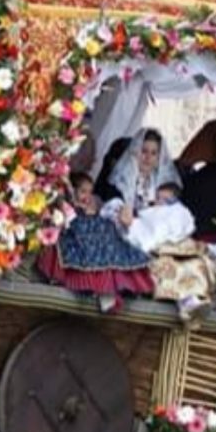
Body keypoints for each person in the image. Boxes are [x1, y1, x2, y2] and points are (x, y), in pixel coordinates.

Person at [47, 172, 155, 312]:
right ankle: (100, 288)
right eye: (83, 192)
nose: (87, 196)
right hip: (76, 231)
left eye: (90, 192)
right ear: (73, 190)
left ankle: (112, 288)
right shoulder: (67, 204)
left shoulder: (93, 204)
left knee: (110, 234)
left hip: (94, 230)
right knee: (90, 240)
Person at [100, 128, 180, 212]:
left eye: (153, 153)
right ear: (135, 152)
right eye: (144, 151)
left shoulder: (161, 183)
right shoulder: (122, 181)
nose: (148, 157)